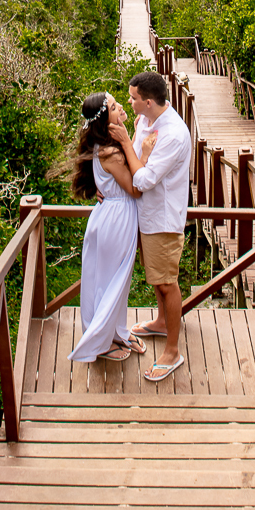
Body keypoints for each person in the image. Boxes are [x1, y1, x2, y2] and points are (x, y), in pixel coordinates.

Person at [109, 71, 191, 382]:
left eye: (131, 98)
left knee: (167, 282)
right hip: (144, 215)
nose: (128, 102)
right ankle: (160, 322)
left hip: (163, 219)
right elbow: (136, 162)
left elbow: (143, 179)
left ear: (147, 101)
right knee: (156, 278)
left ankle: (173, 350)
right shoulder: (146, 120)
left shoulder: (172, 134)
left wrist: (130, 146)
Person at [68, 93, 157, 363]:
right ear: (106, 121)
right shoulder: (111, 152)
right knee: (110, 283)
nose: (121, 108)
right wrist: (144, 152)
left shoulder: (102, 146)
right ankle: (99, 343)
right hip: (117, 220)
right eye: (116, 107)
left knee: (113, 282)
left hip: (110, 217)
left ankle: (115, 331)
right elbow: (135, 189)